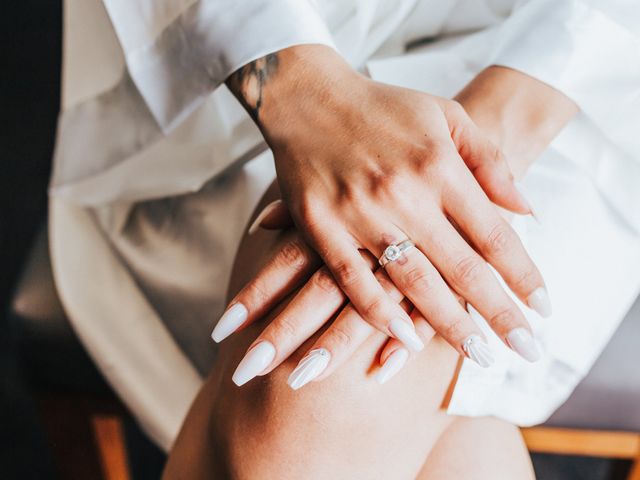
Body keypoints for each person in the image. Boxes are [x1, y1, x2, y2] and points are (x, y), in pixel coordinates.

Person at [51, 0, 640, 470]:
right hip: (259, 52)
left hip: (566, 80)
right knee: (346, 392)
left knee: (320, 386)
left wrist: (454, 171)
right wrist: (300, 91)